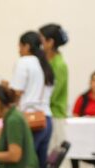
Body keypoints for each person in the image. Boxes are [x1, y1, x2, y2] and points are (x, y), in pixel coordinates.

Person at [8, 31, 55, 168]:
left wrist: (6, 90)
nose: (19, 50)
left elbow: (17, 93)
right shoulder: (45, 64)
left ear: (26, 46)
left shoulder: (25, 61)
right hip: (46, 118)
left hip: (30, 121)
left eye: (19, 46)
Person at [39, 23, 69, 155]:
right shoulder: (46, 62)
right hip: (46, 115)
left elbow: (53, 94)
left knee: (53, 157)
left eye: (41, 40)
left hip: (55, 116)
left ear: (50, 42)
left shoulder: (59, 65)